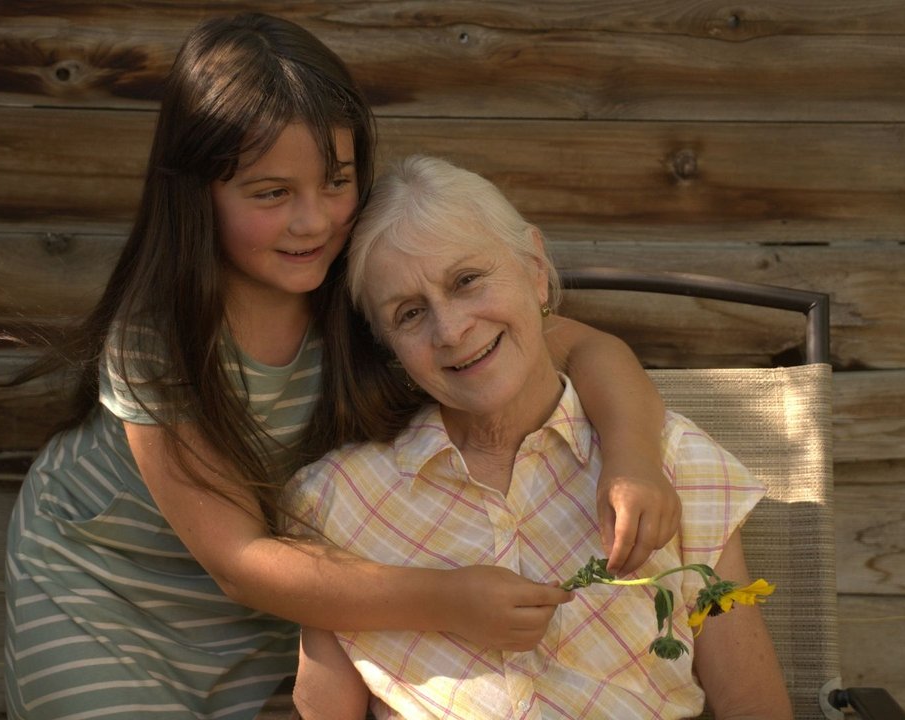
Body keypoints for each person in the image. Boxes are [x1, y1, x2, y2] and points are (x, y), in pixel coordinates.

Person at [3, 13, 682, 719]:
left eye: (336, 181)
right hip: (108, 589)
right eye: (272, 193)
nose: (315, 221)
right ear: (197, 191)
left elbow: (586, 347)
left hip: (300, 594)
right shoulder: (159, 339)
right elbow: (238, 563)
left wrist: (632, 461)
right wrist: (446, 599)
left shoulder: (370, 284)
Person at [283, 155, 793, 719]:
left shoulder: (670, 463)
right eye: (409, 313)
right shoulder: (339, 502)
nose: (450, 330)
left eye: (467, 281)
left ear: (533, 266)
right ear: (388, 345)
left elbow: (752, 704)